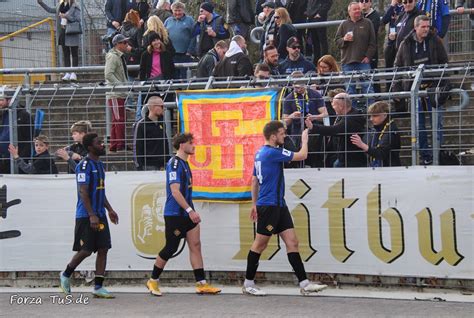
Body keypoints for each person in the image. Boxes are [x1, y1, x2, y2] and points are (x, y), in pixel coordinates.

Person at [242, 120, 327, 296]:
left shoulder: (261, 152)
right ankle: (248, 283)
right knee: (260, 244)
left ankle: (304, 284)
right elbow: (302, 155)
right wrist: (305, 139)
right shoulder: (272, 152)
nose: (285, 136)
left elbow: (254, 180)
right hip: (270, 205)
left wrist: (253, 204)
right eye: (282, 133)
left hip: (278, 204)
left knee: (292, 242)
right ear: (273, 136)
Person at [146, 133, 221, 296]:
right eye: (190, 143)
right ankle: (153, 280)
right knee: (170, 248)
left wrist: (190, 211)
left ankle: (201, 284)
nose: (194, 146)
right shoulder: (174, 164)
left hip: (187, 213)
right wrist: (190, 210)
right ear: (181, 145)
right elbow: (175, 192)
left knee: (195, 245)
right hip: (175, 213)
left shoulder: (186, 164)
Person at [59, 133, 119, 298]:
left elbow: (100, 191)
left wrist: (110, 209)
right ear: (90, 147)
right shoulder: (84, 166)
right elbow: (83, 192)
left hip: (99, 214)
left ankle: (98, 287)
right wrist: (92, 214)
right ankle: (65, 274)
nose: (102, 145)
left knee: (103, 248)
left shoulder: (100, 165)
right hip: (86, 215)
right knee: (86, 250)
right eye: (99, 143)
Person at [395, 15, 448, 165]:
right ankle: (425, 155)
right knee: (419, 125)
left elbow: (444, 61)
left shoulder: (435, 40)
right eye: (423, 27)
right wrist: (396, 89)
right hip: (415, 90)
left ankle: (438, 153)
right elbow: (398, 66)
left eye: (428, 26)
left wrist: (442, 83)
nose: (426, 29)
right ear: (415, 27)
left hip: (433, 89)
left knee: (436, 123)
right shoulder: (406, 43)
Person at [306, 92, 366, 167]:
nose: (332, 107)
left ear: (341, 106)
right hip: (342, 157)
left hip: (351, 160)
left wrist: (313, 127)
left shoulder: (351, 118)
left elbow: (335, 130)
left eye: (333, 105)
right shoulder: (345, 115)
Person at [335, 1, 376, 107]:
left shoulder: (367, 23)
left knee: (368, 88)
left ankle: (371, 111)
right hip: (347, 62)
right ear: (349, 12)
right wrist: (344, 39)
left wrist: (368, 56)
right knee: (349, 91)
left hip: (363, 62)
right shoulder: (343, 25)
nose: (358, 11)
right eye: (355, 9)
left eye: (358, 9)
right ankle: (352, 114)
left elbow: (373, 43)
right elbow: (337, 42)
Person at [283, 71, 326, 167]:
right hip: (297, 134)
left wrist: (315, 117)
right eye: (296, 87)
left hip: (314, 132)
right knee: (298, 160)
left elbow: (325, 115)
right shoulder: (289, 98)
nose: (298, 89)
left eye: (300, 86)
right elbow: (284, 121)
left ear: (305, 83)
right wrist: (292, 116)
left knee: (315, 160)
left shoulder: (315, 94)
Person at [37, 0, 81, 81]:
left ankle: (74, 73)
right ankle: (67, 72)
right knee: (66, 53)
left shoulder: (75, 5)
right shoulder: (59, 5)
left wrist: (66, 16)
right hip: (63, 31)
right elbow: (49, 9)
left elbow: (78, 19)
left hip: (72, 31)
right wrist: (41, 3)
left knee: (74, 53)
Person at [351, 101, 401, 167]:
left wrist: (362, 145)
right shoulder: (379, 128)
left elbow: (381, 153)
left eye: (375, 116)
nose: (371, 119)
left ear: (385, 115)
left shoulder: (390, 130)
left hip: (388, 169)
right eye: (370, 116)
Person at [104, 34, 131, 152]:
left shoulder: (118, 56)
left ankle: (115, 144)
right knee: (119, 119)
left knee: (118, 119)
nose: (126, 45)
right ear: (118, 44)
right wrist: (120, 85)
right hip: (115, 93)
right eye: (124, 43)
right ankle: (120, 144)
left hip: (119, 93)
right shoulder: (113, 57)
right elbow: (108, 74)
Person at [0, 86, 34, 174]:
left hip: (16, 159)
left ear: (10, 100)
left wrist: (20, 158)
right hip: (4, 159)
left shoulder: (24, 115)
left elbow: (29, 139)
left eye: (1, 100)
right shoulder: (4, 113)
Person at [133, 96, 169, 170]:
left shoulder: (162, 123)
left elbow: (165, 142)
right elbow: (137, 146)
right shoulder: (141, 125)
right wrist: (139, 166)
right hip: (148, 165)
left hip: (163, 165)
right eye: (161, 106)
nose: (163, 108)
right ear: (152, 107)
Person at [164, 1, 196, 79]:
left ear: (183, 10)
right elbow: (164, 35)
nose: (177, 13)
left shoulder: (190, 20)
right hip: (172, 54)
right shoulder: (168, 21)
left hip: (185, 54)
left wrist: (189, 51)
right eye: (175, 10)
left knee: (185, 76)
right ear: (172, 11)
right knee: (173, 76)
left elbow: (194, 36)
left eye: (179, 10)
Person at [120, 9, 144, 80]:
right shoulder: (138, 30)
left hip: (124, 58)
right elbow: (141, 49)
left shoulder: (121, 30)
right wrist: (132, 49)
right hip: (135, 60)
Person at [382, 0, 405, 68]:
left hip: (402, 41)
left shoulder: (406, 5)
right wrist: (392, 6)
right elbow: (384, 20)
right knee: (389, 64)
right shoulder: (393, 7)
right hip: (391, 42)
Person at [360, 0, 380, 72]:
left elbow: (371, 32)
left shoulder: (375, 15)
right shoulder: (357, 15)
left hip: (371, 50)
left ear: (370, 3)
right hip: (359, 52)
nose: (364, 3)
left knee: (373, 74)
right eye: (361, 1)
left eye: (366, 1)